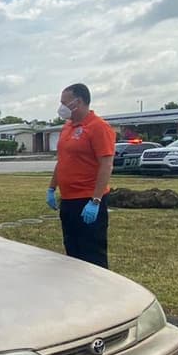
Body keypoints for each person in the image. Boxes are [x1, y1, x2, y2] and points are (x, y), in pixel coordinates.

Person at [47, 83, 116, 269]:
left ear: (78, 102)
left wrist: (95, 200)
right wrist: (52, 188)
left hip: (87, 200)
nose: (61, 107)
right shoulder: (67, 127)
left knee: (92, 255)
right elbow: (62, 160)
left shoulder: (98, 127)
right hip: (68, 201)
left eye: (64, 102)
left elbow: (106, 164)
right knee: (72, 252)